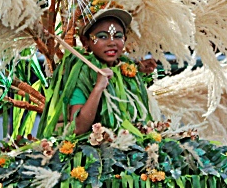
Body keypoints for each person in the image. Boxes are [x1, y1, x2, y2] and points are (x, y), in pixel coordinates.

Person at [39, 8, 157, 137]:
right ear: (86, 42)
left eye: (118, 36)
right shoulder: (80, 74)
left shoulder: (125, 68)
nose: (112, 42)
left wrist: (140, 73)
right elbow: (77, 128)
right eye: (102, 36)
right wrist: (98, 87)